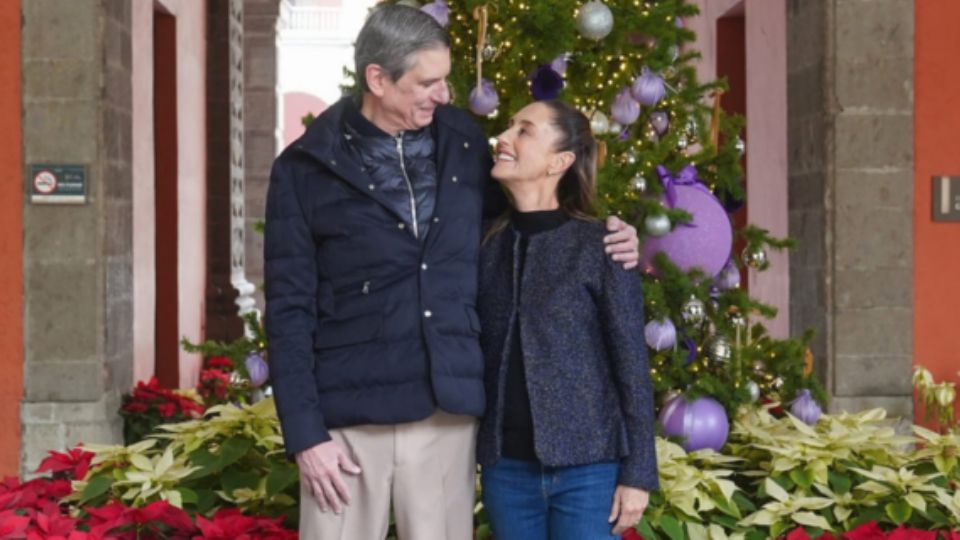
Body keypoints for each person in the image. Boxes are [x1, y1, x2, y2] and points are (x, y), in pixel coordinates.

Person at [264, 5, 640, 539]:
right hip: (345, 419)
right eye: (429, 82)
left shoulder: (463, 143)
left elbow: (527, 221)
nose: (444, 95)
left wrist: (614, 235)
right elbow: (288, 308)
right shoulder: (303, 169)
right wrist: (305, 435)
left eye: (446, 79)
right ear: (378, 79)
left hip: (446, 415)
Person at [476, 99, 659, 540]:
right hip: (506, 471)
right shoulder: (484, 245)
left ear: (560, 160)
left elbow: (631, 364)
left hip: (589, 472)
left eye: (524, 130)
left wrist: (638, 474)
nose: (504, 137)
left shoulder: (602, 245)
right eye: (508, 126)